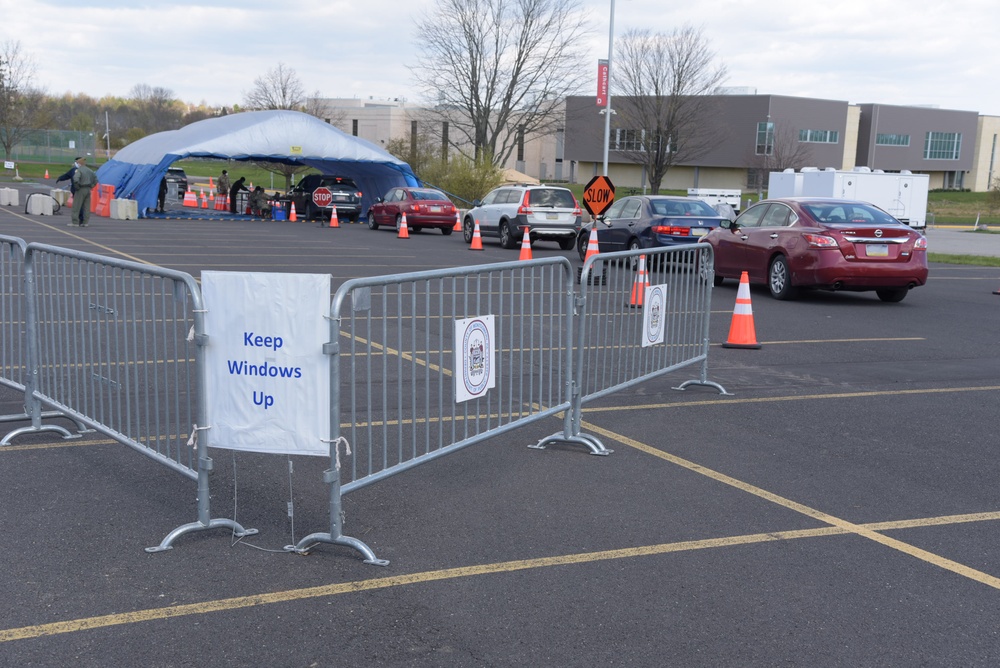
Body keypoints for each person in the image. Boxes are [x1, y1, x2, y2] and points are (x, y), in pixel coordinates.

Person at [69, 156, 98, 227]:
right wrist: (91, 186)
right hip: (88, 189)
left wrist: (77, 187)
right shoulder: (90, 171)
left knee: (76, 206)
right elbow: (96, 180)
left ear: (79, 163)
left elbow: (75, 179)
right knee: (86, 207)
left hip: (81, 189)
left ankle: (75, 222)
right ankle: (85, 222)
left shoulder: (79, 170)